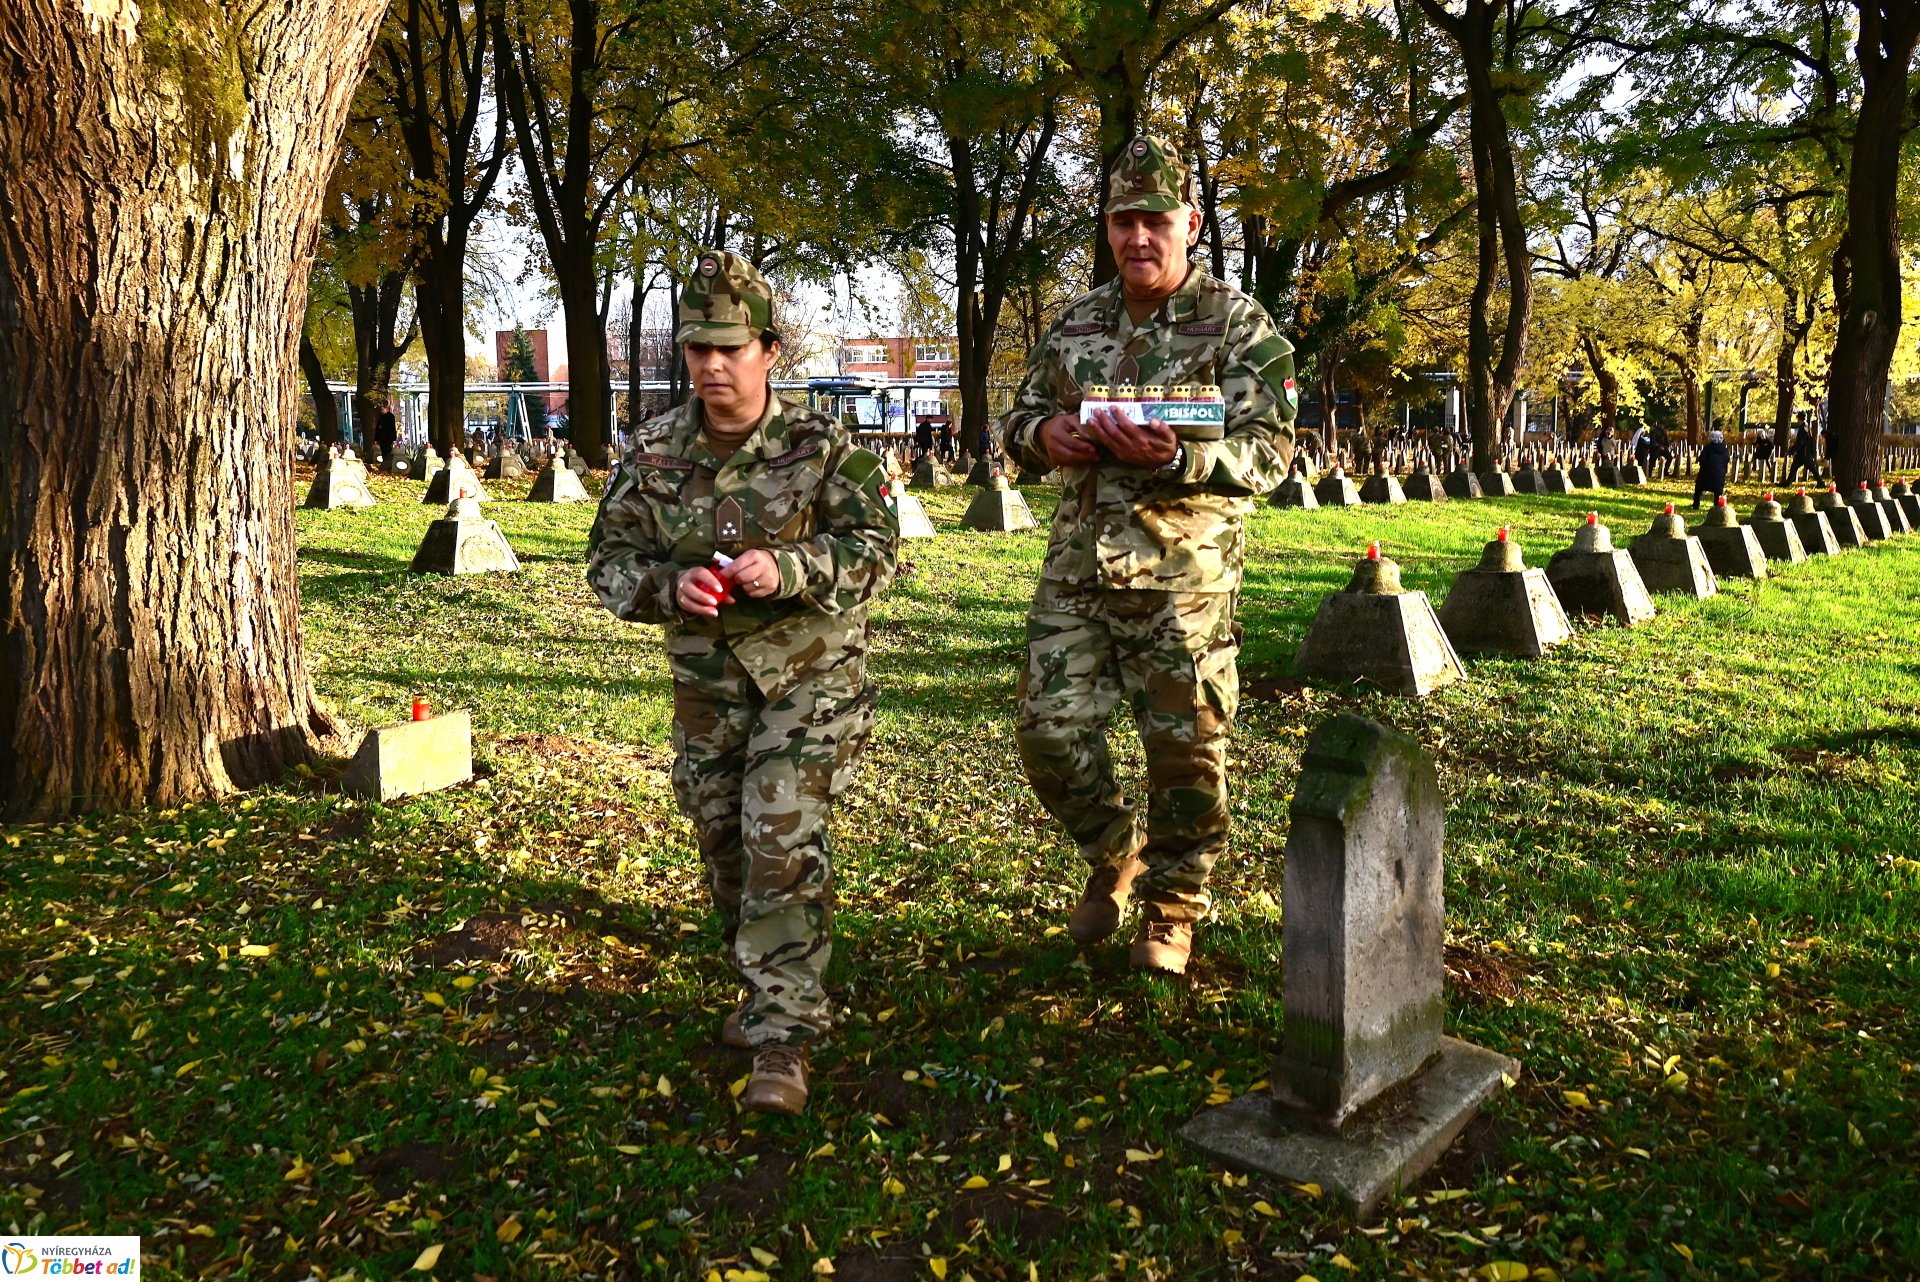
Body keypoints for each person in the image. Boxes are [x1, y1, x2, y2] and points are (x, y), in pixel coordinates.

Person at [586, 249, 898, 1115]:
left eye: (730, 348)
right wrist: (667, 586)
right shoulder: (653, 451)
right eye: (698, 348)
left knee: (776, 825)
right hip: (710, 685)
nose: (712, 365)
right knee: (724, 834)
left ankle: (782, 1037)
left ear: (767, 350)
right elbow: (608, 561)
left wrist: (790, 567)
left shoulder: (822, 446)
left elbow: (878, 551)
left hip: (812, 675)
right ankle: (764, 983)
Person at [999, 136, 1296, 975]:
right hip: (1078, 570)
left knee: (1185, 754)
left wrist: (1181, 458)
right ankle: (1116, 850)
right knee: (1046, 733)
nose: (1138, 237)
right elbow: (1017, 418)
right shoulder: (1078, 323)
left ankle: (1172, 906)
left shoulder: (1237, 326)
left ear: (1189, 225)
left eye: (1155, 221)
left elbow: (1273, 453)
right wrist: (1042, 435)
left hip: (1182, 580)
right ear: (1107, 226)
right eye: (1123, 220)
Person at [1693, 429, 1730, 508]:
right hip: (1719, 477)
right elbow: (1727, 460)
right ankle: (1717, 505)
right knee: (1718, 491)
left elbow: (1701, 459)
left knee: (1698, 488)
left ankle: (1696, 504)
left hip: (1706, 475)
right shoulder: (1725, 449)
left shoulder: (1708, 448)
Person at [374, 401, 399, 467]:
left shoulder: (390, 416)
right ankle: (385, 463)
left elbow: (389, 428)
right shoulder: (381, 417)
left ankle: (387, 464)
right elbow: (378, 428)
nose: (381, 411)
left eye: (383, 409)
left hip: (387, 438)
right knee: (383, 451)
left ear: (387, 409)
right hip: (382, 438)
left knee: (387, 451)